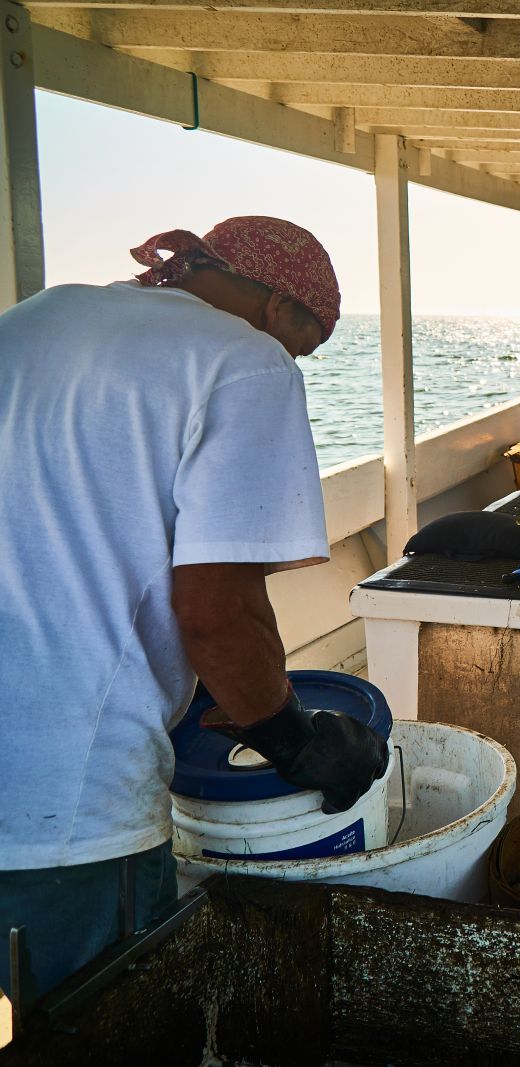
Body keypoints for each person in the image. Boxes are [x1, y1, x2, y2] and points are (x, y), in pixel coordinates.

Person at [0, 218, 388, 1001]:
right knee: (104, 1035)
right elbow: (218, 609)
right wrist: (292, 740)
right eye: (302, 347)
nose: (293, 364)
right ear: (280, 309)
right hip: (63, 809)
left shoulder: (31, 319)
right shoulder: (243, 362)